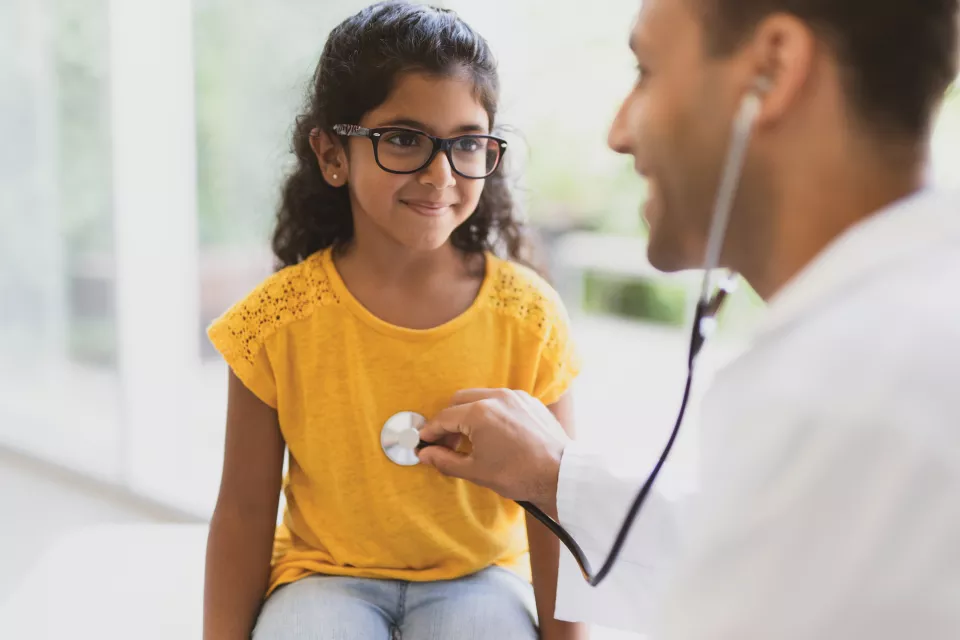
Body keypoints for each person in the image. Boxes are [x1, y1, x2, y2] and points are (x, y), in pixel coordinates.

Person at [417, 0, 960, 638]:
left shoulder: (852, 402)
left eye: (646, 70)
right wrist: (554, 475)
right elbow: (761, 557)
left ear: (772, 68)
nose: (618, 132)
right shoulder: (893, 352)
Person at [202, 3, 586, 640]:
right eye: (403, 138)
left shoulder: (531, 320)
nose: (440, 175)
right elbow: (243, 513)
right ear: (331, 152)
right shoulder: (272, 325)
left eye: (466, 142)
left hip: (478, 579)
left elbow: (557, 504)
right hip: (323, 580)